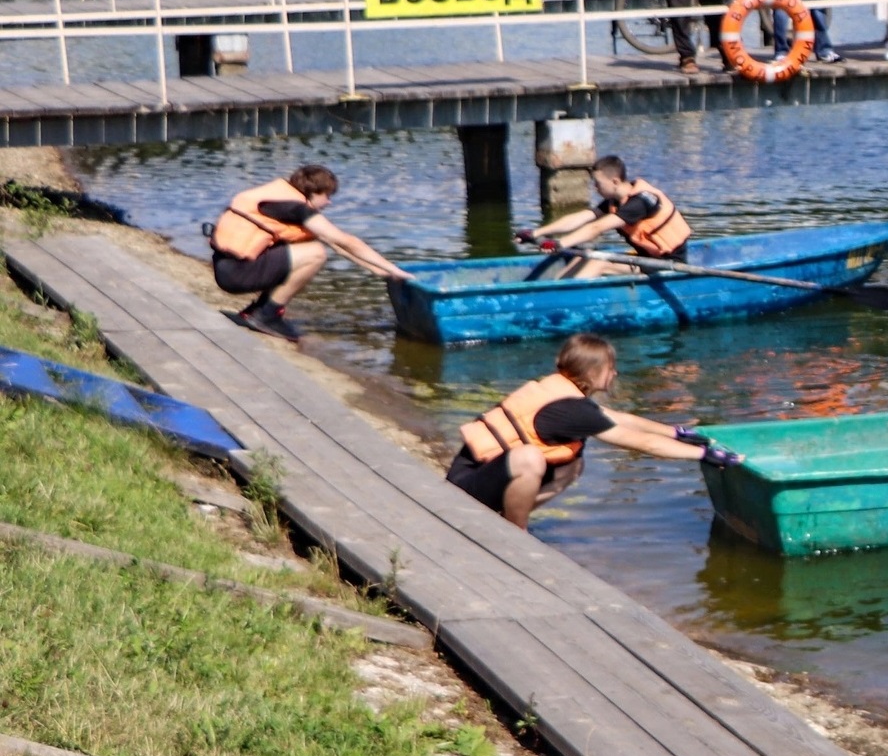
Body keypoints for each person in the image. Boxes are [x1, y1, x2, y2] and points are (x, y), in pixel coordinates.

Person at [446, 333, 739, 528]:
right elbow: (640, 442)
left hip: (483, 477)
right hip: (462, 490)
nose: (615, 374)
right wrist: (702, 455)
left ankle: (506, 519)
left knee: (573, 465)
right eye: (611, 368)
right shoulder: (572, 409)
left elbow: (622, 419)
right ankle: (514, 533)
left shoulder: (566, 393)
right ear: (593, 372)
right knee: (530, 458)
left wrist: (677, 432)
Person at [207, 164, 413, 340]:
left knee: (310, 248)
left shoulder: (279, 200)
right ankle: (267, 315)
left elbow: (337, 245)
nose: (329, 202)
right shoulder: (296, 208)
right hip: (237, 274)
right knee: (315, 253)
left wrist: (380, 271)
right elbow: (346, 240)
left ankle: (257, 311)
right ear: (313, 193)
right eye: (327, 196)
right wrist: (395, 269)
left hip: (228, 268)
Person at [519, 156, 690, 279]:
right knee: (584, 255)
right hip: (647, 258)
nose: (595, 188)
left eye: (598, 183)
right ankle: (554, 294)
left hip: (668, 264)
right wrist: (536, 233)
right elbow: (581, 218)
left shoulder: (640, 202)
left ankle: (568, 302)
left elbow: (596, 228)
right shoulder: (614, 201)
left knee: (598, 262)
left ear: (615, 181)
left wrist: (559, 244)